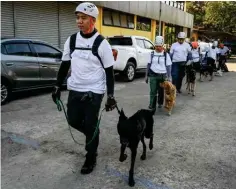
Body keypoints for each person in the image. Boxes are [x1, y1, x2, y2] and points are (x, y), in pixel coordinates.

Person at [51, 2, 117, 175]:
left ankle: (91, 156)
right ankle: (92, 131)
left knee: (89, 123)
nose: (79, 21)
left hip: (94, 91)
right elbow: (65, 65)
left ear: (93, 20)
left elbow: (110, 73)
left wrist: (110, 95)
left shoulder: (102, 44)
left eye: (83, 18)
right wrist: (57, 85)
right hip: (75, 89)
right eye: (78, 18)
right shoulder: (72, 40)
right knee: (73, 120)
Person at [145, 36, 172, 113]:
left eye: (159, 46)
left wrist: (169, 77)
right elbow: (148, 65)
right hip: (153, 75)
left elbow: (168, 66)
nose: (158, 48)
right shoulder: (152, 54)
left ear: (162, 45)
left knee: (161, 91)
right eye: (156, 46)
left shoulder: (166, 55)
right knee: (153, 91)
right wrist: (146, 76)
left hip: (163, 76)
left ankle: (160, 103)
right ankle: (152, 105)